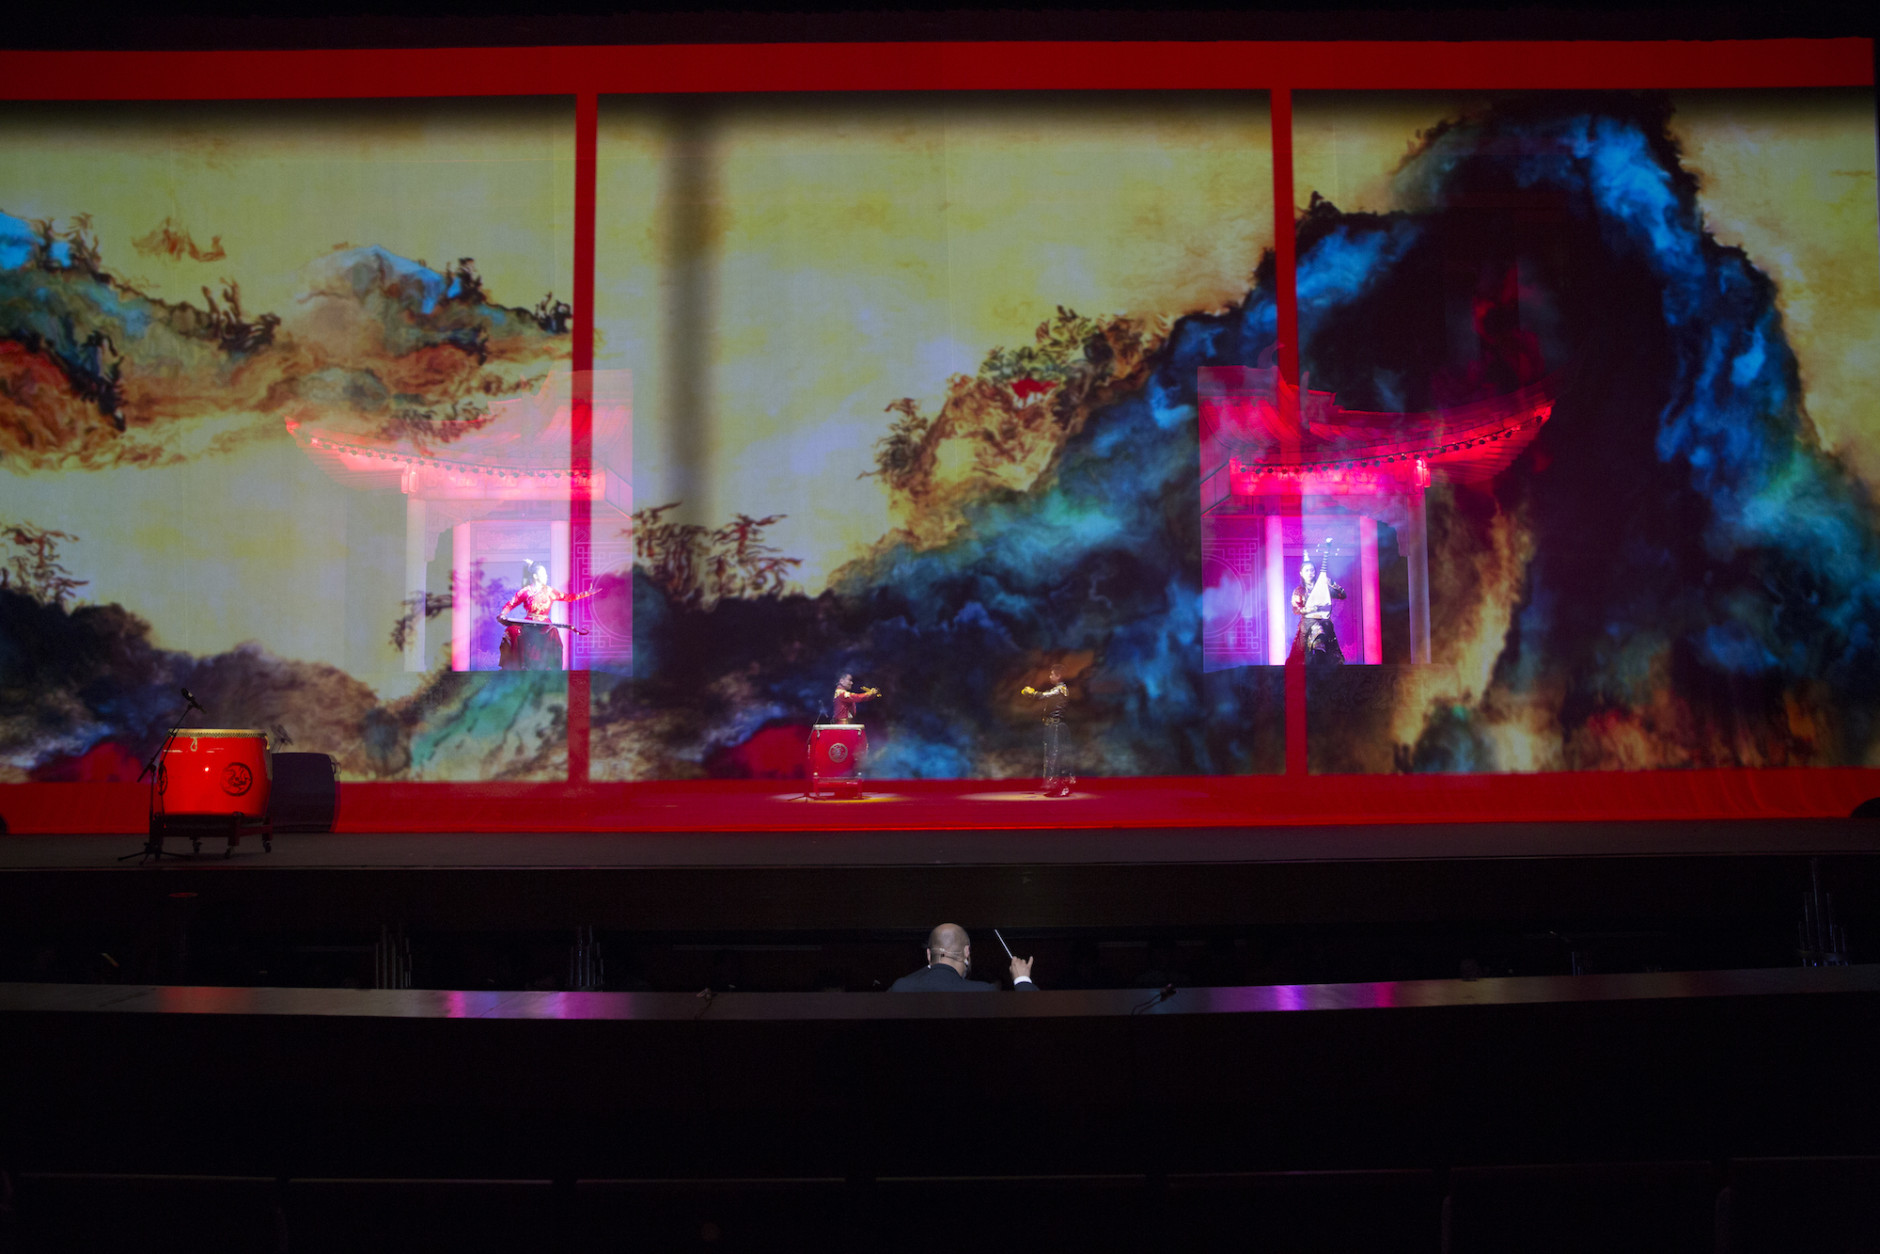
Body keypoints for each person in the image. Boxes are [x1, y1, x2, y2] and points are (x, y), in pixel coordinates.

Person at [499, 561, 596, 671]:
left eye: (546, 574)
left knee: (553, 632)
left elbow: (568, 597)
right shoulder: (526, 591)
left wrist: (587, 593)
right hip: (528, 624)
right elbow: (511, 603)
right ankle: (516, 667)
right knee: (512, 631)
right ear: (535, 576)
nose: (546, 576)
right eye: (543, 574)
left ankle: (552, 669)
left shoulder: (550, 591)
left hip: (544, 625)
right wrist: (503, 614)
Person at [888, 923, 1037, 992]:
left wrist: (933, 964)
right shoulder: (983, 992)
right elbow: (1032, 1018)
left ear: (928, 954)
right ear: (967, 951)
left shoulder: (901, 987)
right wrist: (1022, 980)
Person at [1020, 665, 1073, 797]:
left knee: (1057, 756)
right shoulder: (1058, 689)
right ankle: (1056, 787)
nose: (1050, 676)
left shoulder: (1060, 689)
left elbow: (1043, 696)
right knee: (1052, 756)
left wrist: (1031, 693)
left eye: (1052, 674)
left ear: (1058, 676)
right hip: (1053, 727)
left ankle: (1063, 787)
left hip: (1056, 727)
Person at [1289, 555, 1346, 665]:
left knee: (1326, 658)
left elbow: (1342, 595)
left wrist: (1331, 582)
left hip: (1324, 622)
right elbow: (1295, 610)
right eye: (1306, 571)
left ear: (1315, 572)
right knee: (1305, 660)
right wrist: (1310, 609)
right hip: (1308, 623)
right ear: (1301, 573)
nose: (1310, 573)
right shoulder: (1299, 591)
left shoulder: (1322, 588)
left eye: (1312, 570)